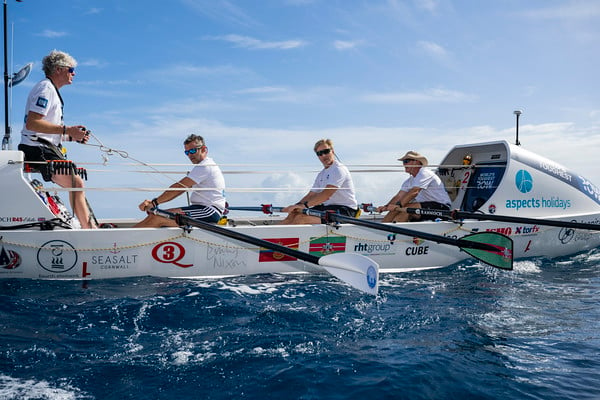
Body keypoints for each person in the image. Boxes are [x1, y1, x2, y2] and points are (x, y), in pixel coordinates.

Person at [18, 50, 96, 229]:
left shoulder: (50, 89)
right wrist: (68, 129)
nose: (74, 73)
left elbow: (46, 131)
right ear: (59, 69)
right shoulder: (45, 88)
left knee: (75, 182)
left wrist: (72, 137)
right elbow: (33, 123)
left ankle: (87, 227)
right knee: (76, 182)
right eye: (71, 69)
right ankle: (89, 231)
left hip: (43, 147)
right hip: (36, 149)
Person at [135, 134, 226, 228]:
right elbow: (179, 188)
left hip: (208, 211)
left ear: (203, 149)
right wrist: (154, 203)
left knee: (156, 218)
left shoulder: (205, 166)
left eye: (193, 150)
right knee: (155, 216)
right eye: (187, 152)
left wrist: (154, 203)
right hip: (199, 208)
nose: (190, 155)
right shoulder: (202, 166)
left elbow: (179, 187)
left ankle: (123, 242)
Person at [280, 138, 358, 224]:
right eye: (320, 153)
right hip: (329, 207)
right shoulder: (321, 174)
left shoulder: (339, 169)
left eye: (326, 151)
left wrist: (303, 206)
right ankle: (274, 236)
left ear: (332, 151)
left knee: (301, 218)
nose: (323, 155)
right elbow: (311, 195)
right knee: (294, 213)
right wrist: (295, 206)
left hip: (345, 211)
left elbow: (326, 195)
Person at [377, 150, 452, 222]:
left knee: (403, 208)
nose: (404, 164)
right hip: (423, 207)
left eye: (406, 161)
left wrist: (398, 206)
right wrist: (386, 207)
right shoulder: (409, 181)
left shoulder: (425, 173)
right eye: (403, 162)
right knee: (395, 210)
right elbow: (398, 196)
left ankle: (394, 231)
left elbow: (414, 192)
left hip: (442, 208)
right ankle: (382, 230)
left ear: (416, 162)